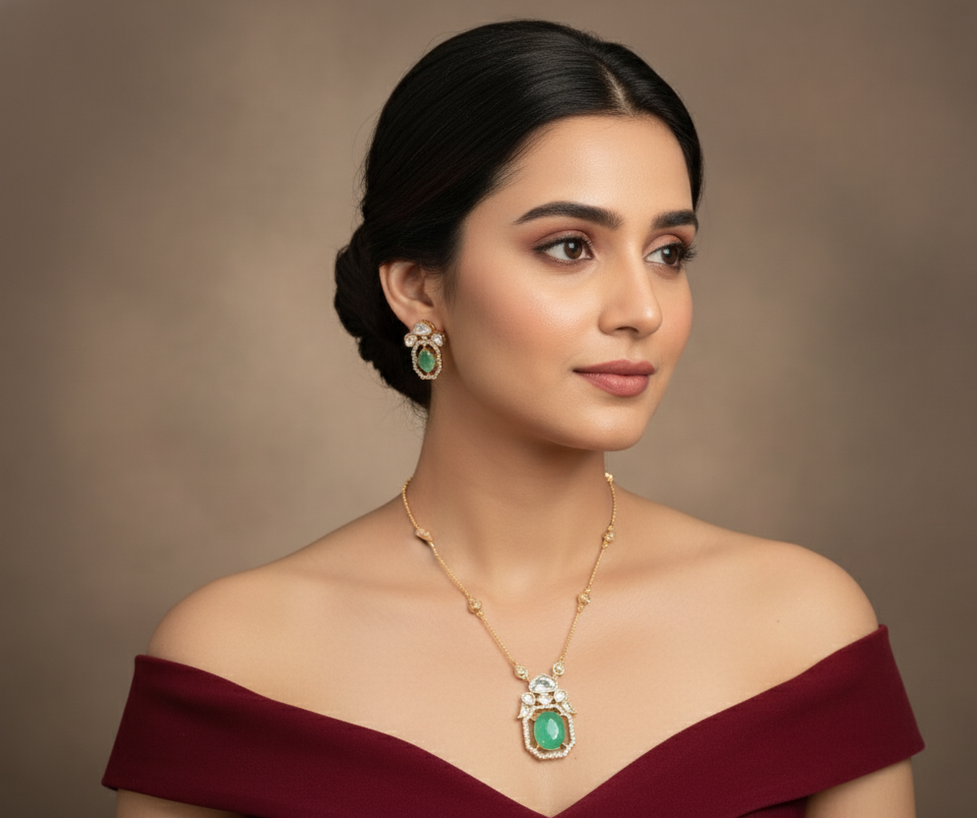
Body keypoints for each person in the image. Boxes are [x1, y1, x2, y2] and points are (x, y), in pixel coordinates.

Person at [104, 20, 922, 818]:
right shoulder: (235, 659)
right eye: (570, 246)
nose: (642, 308)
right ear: (420, 289)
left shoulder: (804, 628)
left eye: (668, 253)